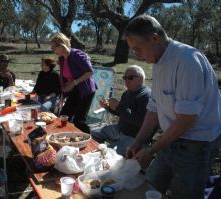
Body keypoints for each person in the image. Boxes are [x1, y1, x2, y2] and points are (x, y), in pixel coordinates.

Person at [123, 15, 221, 199]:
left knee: (184, 194)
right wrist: (137, 142)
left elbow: (186, 120)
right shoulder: (159, 61)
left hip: (197, 144)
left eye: (138, 48)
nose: (136, 54)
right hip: (171, 137)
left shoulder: (187, 61)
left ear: (154, 38)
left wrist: (152, 150)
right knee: (150, 185)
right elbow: (153, 110)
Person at [91, 65, 151, 155]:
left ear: (141, 79)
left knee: (106, 154)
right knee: (91, 135)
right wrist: (108, 107)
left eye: (130, 78)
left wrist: (118, 107)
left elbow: (140, 122)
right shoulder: (127, 93)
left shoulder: (146, 96)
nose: (126, 81)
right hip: (120, 129)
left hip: (134, 137)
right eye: (125, 78)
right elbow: (121, 113)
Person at [49, 33, 98, 133]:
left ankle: (89, 140)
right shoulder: (62, 58)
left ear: (61, 45)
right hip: (74, 90)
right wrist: (63, 95)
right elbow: (65, 78)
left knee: (78, 120)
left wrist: (73, 83)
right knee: (64, 115)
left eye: (54, 48)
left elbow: (90, 71)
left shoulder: (77, 54)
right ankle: (64, 136)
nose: (53, 50)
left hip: (86, 90)